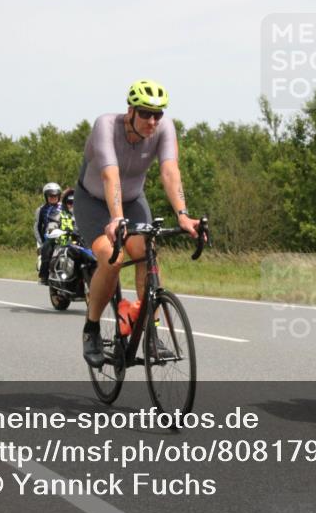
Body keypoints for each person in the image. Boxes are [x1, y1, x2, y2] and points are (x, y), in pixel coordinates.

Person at [73, 79, 201, 368]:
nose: (152, 121)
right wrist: (116, 217)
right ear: (130, 110)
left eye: (158, 114)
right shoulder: (105, 126)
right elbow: (110, 176)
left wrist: (182, 214)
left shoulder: (164, 128)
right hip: (94, 201)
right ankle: (91, 328)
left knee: (147, 251)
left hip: (132, 200)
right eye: (145, 113)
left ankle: (151, 332)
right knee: (113, 258)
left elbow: (170, 172)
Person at [34, 182, 62, 285]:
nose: (53, 197)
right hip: (49, 237)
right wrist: (41, 242)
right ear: (46, 196)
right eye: (51, 195)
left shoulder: (64, 208)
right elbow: (37, 227)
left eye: (55, 195)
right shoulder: (41, 210)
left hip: (65, 235)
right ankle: (44, 276)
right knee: (46, 250)